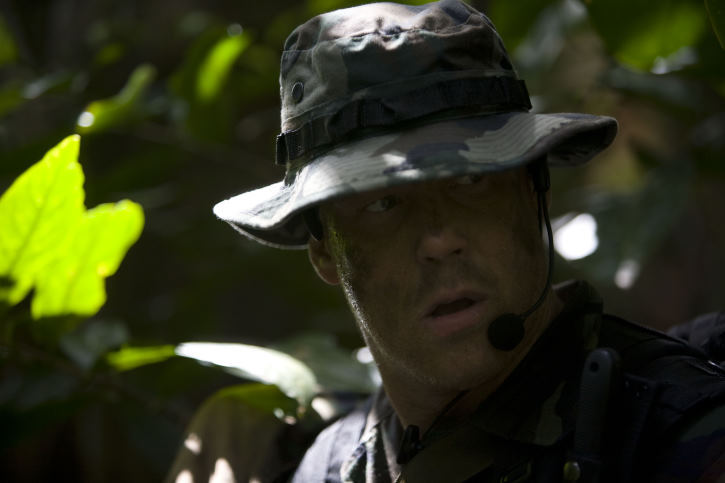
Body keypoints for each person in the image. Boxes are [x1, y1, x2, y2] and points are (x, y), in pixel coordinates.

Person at [209, 1, 725, 481]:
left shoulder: (677, 439)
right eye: (383, 204)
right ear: (325, 250)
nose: (440, 240)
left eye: (472, 181)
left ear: (534, 191)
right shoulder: (332, 467)